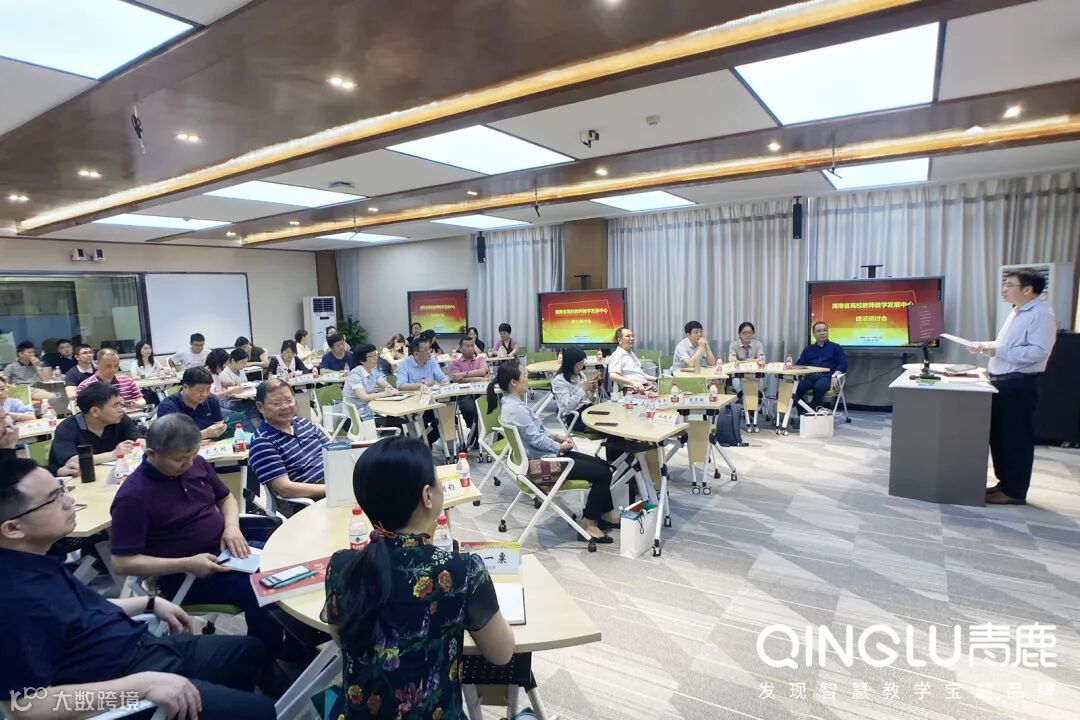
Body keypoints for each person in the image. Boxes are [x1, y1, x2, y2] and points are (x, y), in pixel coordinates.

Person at [0, 450, 275, 720]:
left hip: (140, 648)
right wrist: (139, 687)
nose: (69, 501)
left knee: (250, 651)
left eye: (62, 491)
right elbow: (26, 706)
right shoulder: (13, 600)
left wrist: (148, 602)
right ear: (12, 528)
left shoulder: (40, 558)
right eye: (53, 499)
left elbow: (79, 610)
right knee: (261, 712)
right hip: (119, 684)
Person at [322, 437, 515, 720]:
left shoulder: (343, 566)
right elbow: (501, 653)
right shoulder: (461, 571)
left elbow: (341, 639)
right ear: (427, 496)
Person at [109, 414, 286, 657]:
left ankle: (294, 644)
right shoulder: (133, 497)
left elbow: (226, 498)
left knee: (286, 560)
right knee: (264, 586)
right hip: (186, 576)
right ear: (151, 454)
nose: (189, 464)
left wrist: (231, 527)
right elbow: (122, 562)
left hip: (226, 553)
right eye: (180, 460)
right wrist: (188, 563)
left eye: (192, 455)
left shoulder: (196, 464)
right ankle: (268, 657)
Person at [488, 363, 620, 542]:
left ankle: (604, 514)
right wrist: (559, 447)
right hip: (542, 465)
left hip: (541, 458)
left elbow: (535, 433)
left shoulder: (510, 404)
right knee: (603, 473)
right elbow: (536, 440)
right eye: (524, 375)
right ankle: (589, 523)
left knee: (603, 466)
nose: (527, 379)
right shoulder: (516, 409)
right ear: (513, 382)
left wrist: (556, 437)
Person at [969, 268, 1057, 506]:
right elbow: (1006, 344)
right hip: (1004, 383)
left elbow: (1038, 352)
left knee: (1016, 439)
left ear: (1028, 290)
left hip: (1019, 384)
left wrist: (997, 351)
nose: (1004, 290)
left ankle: (1015, 491)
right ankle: (1004, 484)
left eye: (1009, 285)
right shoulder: (1018, 311)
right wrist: (984, 346)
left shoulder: (1041, 315)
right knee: (1001, 437)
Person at [249, 378, 329, 500]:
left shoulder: (304, 423)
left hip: (335, 481)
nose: (285, 407)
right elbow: (285, 489)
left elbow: (334, 453)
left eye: (289, 401)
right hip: (313, 499)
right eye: (277, 403)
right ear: (260, 407)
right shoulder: (262, 442)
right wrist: (332, 489)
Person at [48, 381, 143, 476]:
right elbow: (72, 462)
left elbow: (138, 439)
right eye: (115, 405)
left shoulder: (120, 419)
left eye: (120, 404)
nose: (120, 409)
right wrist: (113, 454)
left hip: (110, 475)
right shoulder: (67, 427)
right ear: (95, 411)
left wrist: (142, 443)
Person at [396, 337, 448, 444]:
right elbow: (400, 385)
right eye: (426, 350)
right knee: (421, 422)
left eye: (429, 349)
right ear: (416, 354)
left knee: (447, 418)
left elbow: (442, 378)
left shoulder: (432, 361)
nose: (430, 352)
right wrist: (422, 385)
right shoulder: (404, 364)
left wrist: (445, 381)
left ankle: (423, 443)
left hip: (430, 403)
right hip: (413, 406)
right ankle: (421, 443)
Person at [155, 367, 227, 441]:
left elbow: (219, 424)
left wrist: (220, 428)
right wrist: (203, 434)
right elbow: (169, 439)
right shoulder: (168, 407)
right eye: (200, 390)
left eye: (208, 389)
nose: (205, 394)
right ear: (185, 387)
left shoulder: (211, 399)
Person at [343, 344, 402, 429]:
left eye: (376, 354)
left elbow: (386, 385)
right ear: (362, 360)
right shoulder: (355, 375)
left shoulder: (373, 371)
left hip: (369, 412)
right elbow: (364, 397)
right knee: (396, 423)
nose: (376, 358)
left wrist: (389, 390)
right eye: (372, 356)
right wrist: (385, 393)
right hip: (355, 418)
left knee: (397, 419)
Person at [794, 322, 848, 415]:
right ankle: (804, 413)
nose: (822, 333)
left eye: (824, 330)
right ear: (814, 334)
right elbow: (800, 363)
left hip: (827, 377)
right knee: (795, 389)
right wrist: (792, 368)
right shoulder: (808, 349)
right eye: (819, 331)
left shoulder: (836, 347)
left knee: (818, 387)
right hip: (811, 376)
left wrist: (835, 375)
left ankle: (813, 413)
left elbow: (843, 364)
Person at [449, 337, 490, 442]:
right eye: (467, 346)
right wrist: (479, 378)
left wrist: (464, 376)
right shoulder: (455, 363)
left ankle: (476, 436)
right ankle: (475, 434)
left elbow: (483, 372)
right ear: (460, 348)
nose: (471, 348)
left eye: (472, 346)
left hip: (482, 392)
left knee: (492, 407)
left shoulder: (480, 359)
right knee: (470, 409)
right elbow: (456, 379)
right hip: (464, 394)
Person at [76, 348, 146, 409]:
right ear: (97, 364)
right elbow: (80, 409)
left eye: (116, 366)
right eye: (108, 366)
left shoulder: (127, 381)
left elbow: (142, 401)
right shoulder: (85, 386)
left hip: (132, 417)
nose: (113, 370)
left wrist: (134, 404)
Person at [212, 347, 261, 431]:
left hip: (235, 398)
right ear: (233, 361)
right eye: (242, 363)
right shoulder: (222, 373)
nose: (245, 365)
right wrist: (232, 389)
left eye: (246, 362)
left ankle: (257, 429)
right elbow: (217, 394)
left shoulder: (240, 370)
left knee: (253, 404)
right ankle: (255, 430)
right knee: (250, 406)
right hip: (226, 401)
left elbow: (241, 384)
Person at [551, 347, 598, 430]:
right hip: (574, 417)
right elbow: (568, 406)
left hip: (587, 410)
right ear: (570, 364)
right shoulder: (559, 380)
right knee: (605, 428)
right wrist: (583, 389)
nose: (581, 367)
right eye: (578, 364)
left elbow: (589, 400)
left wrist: (592, 391)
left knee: (610, 420)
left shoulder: (580, 375)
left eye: (582, 363)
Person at [607, 327, 655, 393]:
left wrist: (657, 379)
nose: (632, 338)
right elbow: (613, 375)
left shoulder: (631, 353)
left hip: (644, 388)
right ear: (620, 340)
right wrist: (634, 383)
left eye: (632, 336)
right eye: (628, 336)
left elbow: (640, 374)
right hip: (632, 391)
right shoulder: (618, 354)